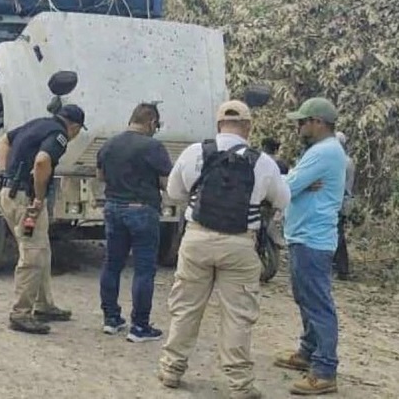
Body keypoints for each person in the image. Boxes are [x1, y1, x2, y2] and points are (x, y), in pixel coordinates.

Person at [159, 100, 290, 399]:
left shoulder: (195, 152)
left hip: (197, 239)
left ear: (218, 124)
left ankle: (171, 369)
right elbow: (282, 200)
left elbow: (174, 192)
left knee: (186, 307)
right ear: (248, 127)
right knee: (238, 315)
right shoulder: (263, 162)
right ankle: (240, 384)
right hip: (240, 245)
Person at [274, 97, 346, 395]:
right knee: (305, 298)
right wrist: (295, 181)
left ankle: (325, 369)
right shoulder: (321, 151)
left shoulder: (324, 152)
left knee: (317, 303)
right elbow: (294, 183)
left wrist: (292, 181)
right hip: (305, 236)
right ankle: (308, 351)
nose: (298, 127)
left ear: (318, 122)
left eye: (302, 122)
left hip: (312, 238)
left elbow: (287, 187)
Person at [0, 104, 86, 334]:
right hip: (26, 199)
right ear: (74, 127)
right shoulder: (59, 136)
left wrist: (4, 174)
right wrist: (38, 197)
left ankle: (43, 304)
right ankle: (20, 313)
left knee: (42, 250)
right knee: (33, 255)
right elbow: (42, 162)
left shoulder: (37, 124)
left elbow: (4, 141)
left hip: (10, 192)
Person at [96, 102, 172, 342]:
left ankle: (111, 319)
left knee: (112, 264)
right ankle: (139, 326)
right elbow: (166, 183)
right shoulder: (153, 147)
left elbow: (100, 176)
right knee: (144, 269)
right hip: (142, 210)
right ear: (151, 122)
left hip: (113, 208)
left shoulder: (109, 144)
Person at [333, 132, 354, 280]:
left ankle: (341, 268)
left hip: (338, 202)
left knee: (337, 235)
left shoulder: (341, 162)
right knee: (338, 233)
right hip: (345, 201)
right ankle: (340, 267)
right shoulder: (349, 161)